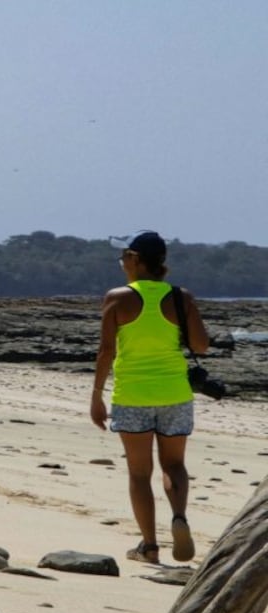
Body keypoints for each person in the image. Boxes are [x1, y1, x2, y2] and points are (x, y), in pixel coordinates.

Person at [91, 230, 210, 565]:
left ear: (134, 260)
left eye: (123, 257)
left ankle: (149, 546)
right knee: (174, 464)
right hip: (175, 393)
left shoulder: (117, 297)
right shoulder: (180, 297)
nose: (121, 263)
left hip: (133, 395)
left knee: (139, 473)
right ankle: (179, 516)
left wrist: (96, 396)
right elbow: (201, 346)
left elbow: (105, 351)